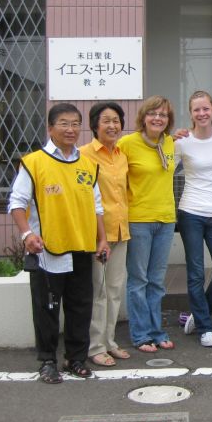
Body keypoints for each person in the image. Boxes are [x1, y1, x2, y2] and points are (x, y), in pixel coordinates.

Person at [9, 103, 110, 383]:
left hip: (81, 246)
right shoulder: (33, 162)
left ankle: (76, 358)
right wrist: (27, 234)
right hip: (47, 250)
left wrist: (102, 239)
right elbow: (17, 204)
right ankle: (48, 361)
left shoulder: (88, 164)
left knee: (80, 307)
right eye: (64, 123)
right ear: (50, 128)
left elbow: (97, 207)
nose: (71, 129)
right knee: (47, 309)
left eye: (76, 124)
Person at [118, 96, 177, 353]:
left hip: (165, 219)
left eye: (163, 115)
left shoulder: (170, 143)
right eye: (153, 113)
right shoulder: (127, 144)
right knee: (138, 280)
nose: (158, 118)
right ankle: (141, 334)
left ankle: (157, 331)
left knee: (156, 281)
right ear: (143, 116)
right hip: (139, 220)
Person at [174, 91, 212, 348]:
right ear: (191, 113)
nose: (202, 114)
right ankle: (205, 327)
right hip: (191, 212)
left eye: (205, 109)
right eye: (196, 110)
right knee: (196, 273)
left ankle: (198, 315)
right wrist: (168, 137)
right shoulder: (182, 143)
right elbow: (163, 168)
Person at [80, 102, 131, 366]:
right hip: (97, 235)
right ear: (94, 126)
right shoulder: (84, 155)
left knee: (113, 290)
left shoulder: (121, 154)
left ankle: (110, 341)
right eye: (106, 121)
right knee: (98, 291)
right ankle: (95, 346)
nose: (112, 126)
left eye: (116, 121)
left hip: (121, 232)